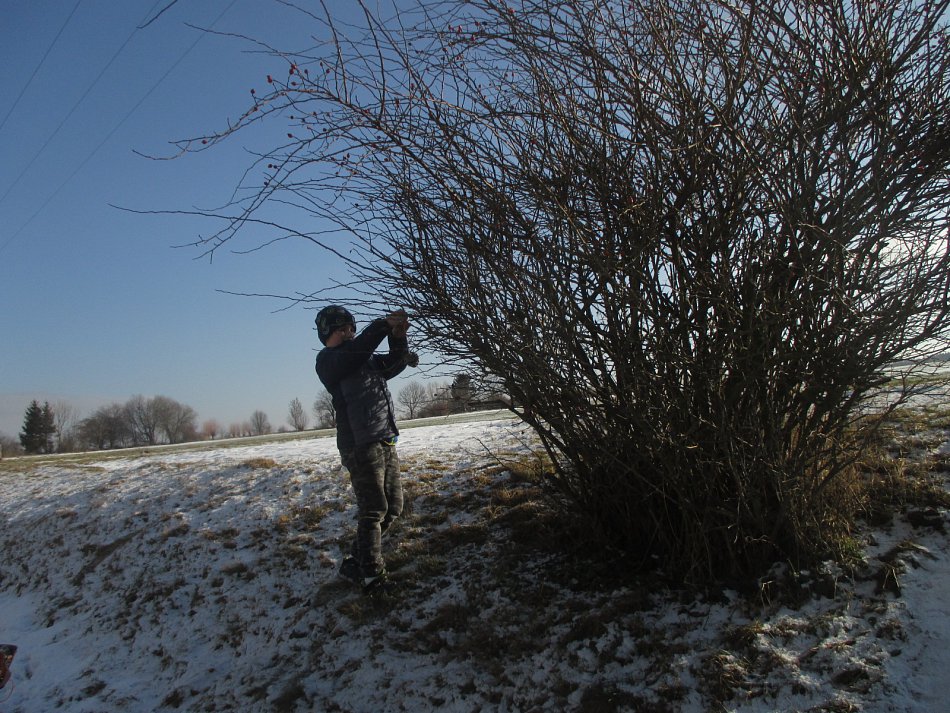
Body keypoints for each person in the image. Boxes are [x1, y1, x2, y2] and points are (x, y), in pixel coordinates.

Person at [314, 305, 418, 593]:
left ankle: (355, 562)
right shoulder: (328, 361)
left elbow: (393, 364)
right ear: (327, 334)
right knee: (374, 510)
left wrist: (398, 337)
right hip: (359, 445)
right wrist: (383, 325)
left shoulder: (364, 357)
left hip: (383, 438)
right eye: (341, 329)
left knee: (393, 508)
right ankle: (372, 577)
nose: (349, 333)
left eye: (351, 328)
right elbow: (355, 353)